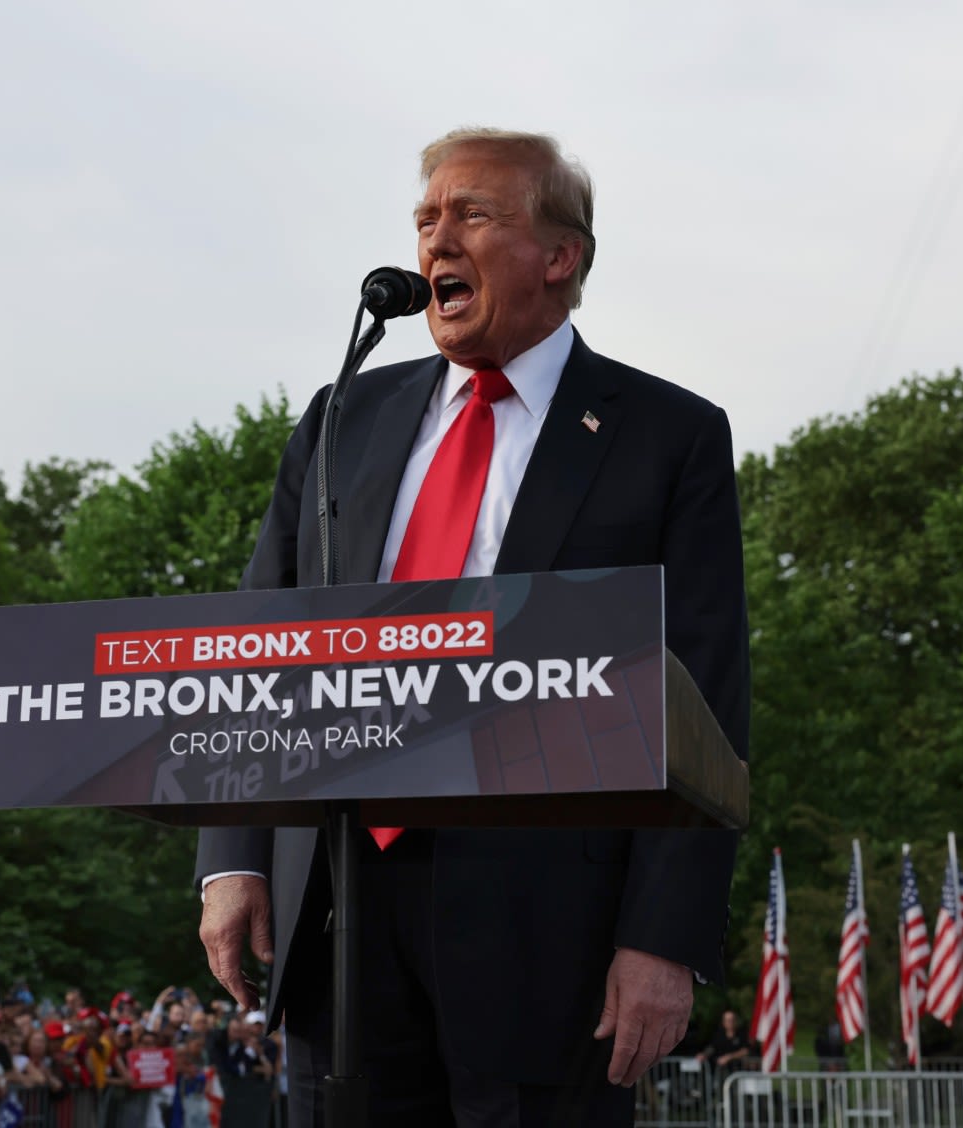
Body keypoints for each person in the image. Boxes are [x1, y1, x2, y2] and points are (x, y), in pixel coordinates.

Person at [196, 126, 750, 1127]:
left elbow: (704, 694)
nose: (436, 240)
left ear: (559, 255)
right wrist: (233, 857)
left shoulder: (669, 437)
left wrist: (664, 935)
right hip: (340, 897)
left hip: (550, 925)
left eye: (473, 214)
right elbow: (260, 646)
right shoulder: (340, 419)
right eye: (426, 219)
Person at [694, 1009, 752, 1079]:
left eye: (732, 1020)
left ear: (736, 1021)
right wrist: (704, 1054)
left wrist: (729, 1057)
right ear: (723, 1022)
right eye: (728, 1020)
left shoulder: (742, 1034)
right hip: (720, 1073)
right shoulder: (719, 1035)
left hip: (739, 1073)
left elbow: (745, 1050)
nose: (730, 1022)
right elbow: (712, 1047)